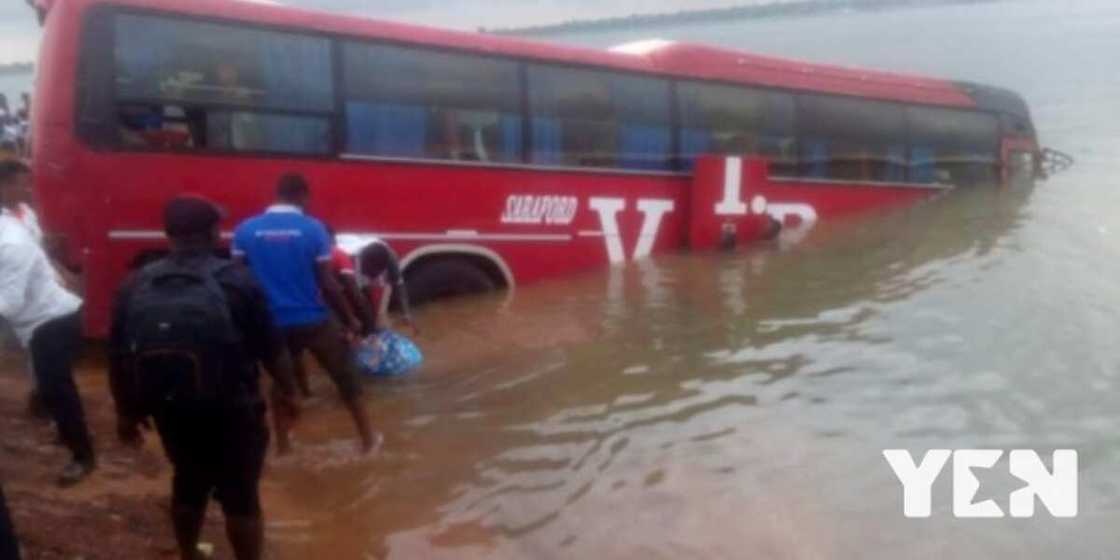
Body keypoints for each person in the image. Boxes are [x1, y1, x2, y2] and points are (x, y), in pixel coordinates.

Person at [109, 195, 300, 560]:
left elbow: (118, 355)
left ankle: (189, 554)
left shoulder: (134, 284)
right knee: (241, 496)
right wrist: (289, 392)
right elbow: (272, 349)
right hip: (233, 407)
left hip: (170, 406)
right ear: (213, 233)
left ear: (168, 234)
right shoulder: (239, 281)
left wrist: (125, 413)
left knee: (187, 481)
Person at [232, 173, 375, 452]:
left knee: (280, 382)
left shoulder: (245, 230)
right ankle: (368, 440)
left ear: (277, 194)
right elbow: (328, 283)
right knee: (345, 377)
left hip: (270, 323)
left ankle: (283, 446)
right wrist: (351, 319)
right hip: (312, 319)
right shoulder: (313, 229)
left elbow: (237, 278)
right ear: (303, 196)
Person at [0, 159, 95, 487]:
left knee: (59, 389)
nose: (28, 190)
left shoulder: (11, 242)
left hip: (50, 320)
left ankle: (82, 455)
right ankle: (58, 420)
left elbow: (8, 304)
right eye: (21, 183)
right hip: (45, 315)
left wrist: (59, 274)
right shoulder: (10, 229)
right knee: (52, 383)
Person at [354, 239, 417, 335]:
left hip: (381, 282)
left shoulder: (390, 258)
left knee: (380, 317)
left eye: (376, 272)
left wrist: (405, 313)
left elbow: (398, 285)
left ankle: (379, 334)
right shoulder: (355, 258)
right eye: (371, 272)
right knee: (364, 314)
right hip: (355, 275)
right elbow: (359, 293)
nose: (373, 276)